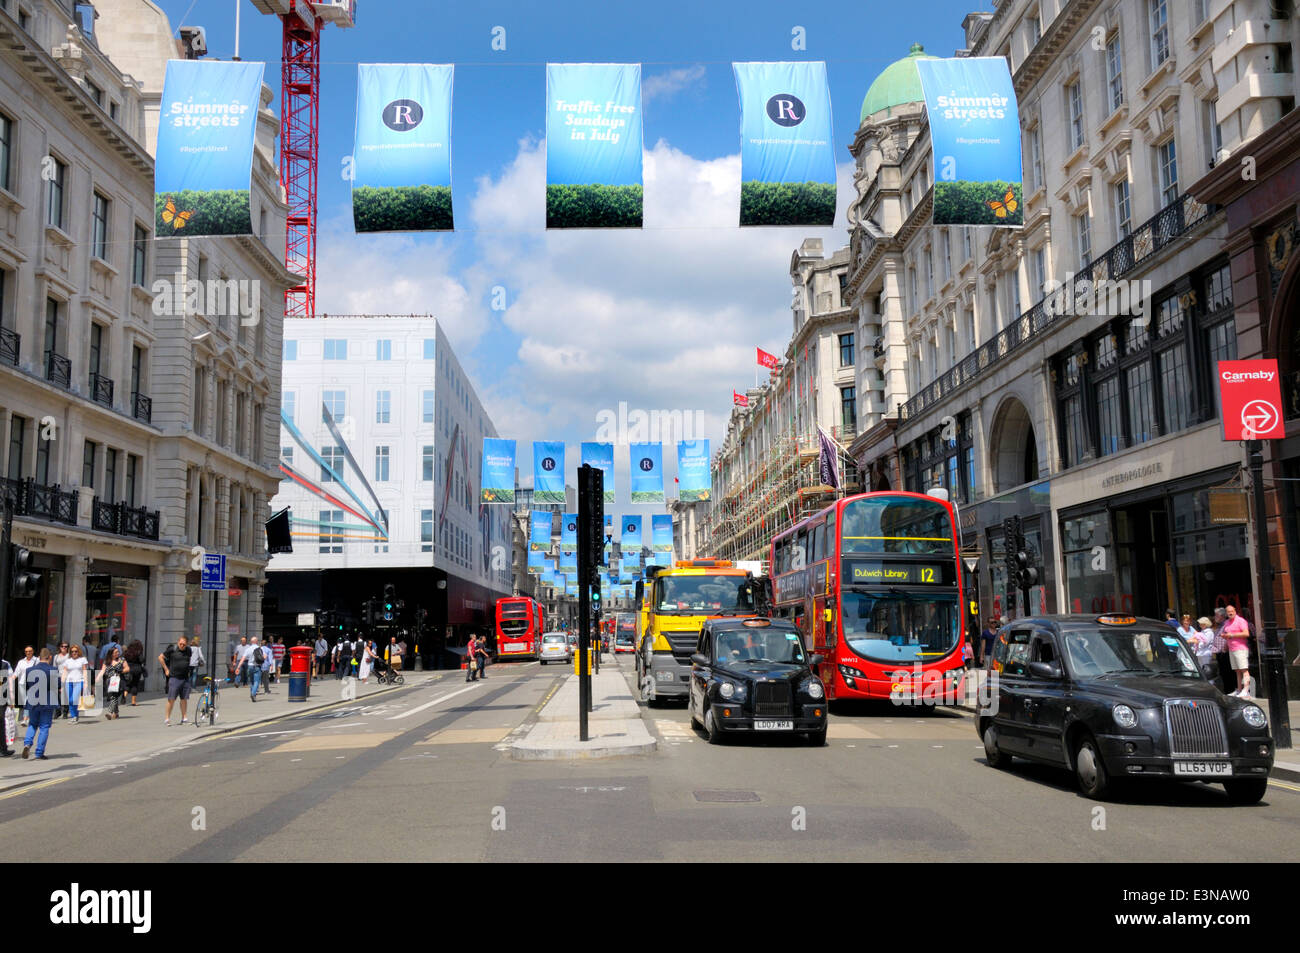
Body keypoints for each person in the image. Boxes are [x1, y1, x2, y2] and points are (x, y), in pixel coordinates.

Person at [21, 649, 58, 760]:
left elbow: (27, 685)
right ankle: (39, 752)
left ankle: (27, 743)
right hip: (47, 701)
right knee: (44, 727)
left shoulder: (29, 670)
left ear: (39, 657)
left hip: (33, 701)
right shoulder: (53, 670)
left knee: (32, 724)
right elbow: (57, 685)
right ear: (50, 657)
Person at [159, 635, 193, 725]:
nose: (182, 646)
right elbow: (160, 657)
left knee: (184, 699)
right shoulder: (172, 649)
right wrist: (166, 669)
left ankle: (184, 718)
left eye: (184, 644)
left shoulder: (189, 650)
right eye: (180, 644)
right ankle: (167, 719)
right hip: (174, 678)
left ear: (187, 644)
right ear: (178, 642)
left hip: (185, 678)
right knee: (171, 699)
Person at [1221, 604, 1253, 698]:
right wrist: (1226, 644)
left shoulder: (1241, 621)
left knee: (1244, 669)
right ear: (1226, 613)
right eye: (1228, 611)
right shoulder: (1227, 622)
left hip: (1240, 648)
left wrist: (1232, 635)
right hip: (1232, 648)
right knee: (1237, 670)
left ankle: (1246, 690)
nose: (1230, 613)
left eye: (1232, 611)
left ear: (1235, 611)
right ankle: (1239, 690)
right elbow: (1227, 634)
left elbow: (1246, 633)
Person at [60, 644, 90, 723]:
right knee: (70, 700)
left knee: (74, 699)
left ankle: (74, 716)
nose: (74, 653)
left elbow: (84, 671)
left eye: (76, 651)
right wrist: (62, 684)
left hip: (79, 681)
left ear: (78, 652)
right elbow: (65, 672)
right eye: (72, 651)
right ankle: (74, 716)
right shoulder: (67, 661)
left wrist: (86, 682)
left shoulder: (82, 659)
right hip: (68, 682)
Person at [99, 646, 130, 720]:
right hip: (109, 681)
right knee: (113, 696)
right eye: (116, 652)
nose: (118, 653)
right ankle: (116, 712)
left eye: (118, 652)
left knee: (114, 696)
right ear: (111, 654)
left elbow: (127, 668)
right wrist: (98, 678)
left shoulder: (122, 660)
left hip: (119, 681)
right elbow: (103, 670)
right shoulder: (107, 661)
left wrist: (121, 671)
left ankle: (110, 712)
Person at [1210, 607, 1233, 694]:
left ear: (1222, 616)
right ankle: (1227, 690)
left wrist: (1225, 647)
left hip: (1225, 651)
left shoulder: (1226, 624)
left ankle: (1230, 690)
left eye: (1217, 615)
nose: (1215, 617)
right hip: (1219, 652)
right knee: (1223, 673)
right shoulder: (1218, 625)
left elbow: (1228, 636)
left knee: (1227, 672)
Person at [13, 645, 36, 728]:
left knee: (28, 700)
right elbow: (17, 672)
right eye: (26, 651)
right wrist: (12, 678)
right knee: (24, 701)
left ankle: (25, 718)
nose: (28, 653)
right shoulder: (21, 662)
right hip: (22, 683)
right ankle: (30, 717)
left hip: (33, 684)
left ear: (32, 652)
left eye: (30, 651)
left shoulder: (36, 661)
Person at [123, 640, 146, 705]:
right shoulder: (138, 652)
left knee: (128, 684)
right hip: (136, 669)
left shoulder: (127, 652)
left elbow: (123, 659)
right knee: (135, 684)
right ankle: (133, 701)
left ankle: (124, 696)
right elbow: (142, 660)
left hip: (128, 668)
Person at [0, 655, 13, 757]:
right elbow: (9, 682)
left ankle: (3, 749)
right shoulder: (5, 664)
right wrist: (11, 699)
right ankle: (3, 749)